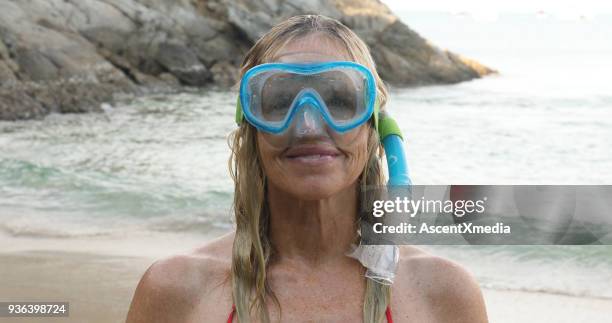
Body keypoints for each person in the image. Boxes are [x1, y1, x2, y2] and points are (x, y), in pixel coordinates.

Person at [126, 15, 488, 323]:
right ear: (250, 130)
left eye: (341, 100)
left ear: (375, 126)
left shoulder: (443, 295)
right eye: (280, 101)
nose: (310, 127)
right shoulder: (178, 290)